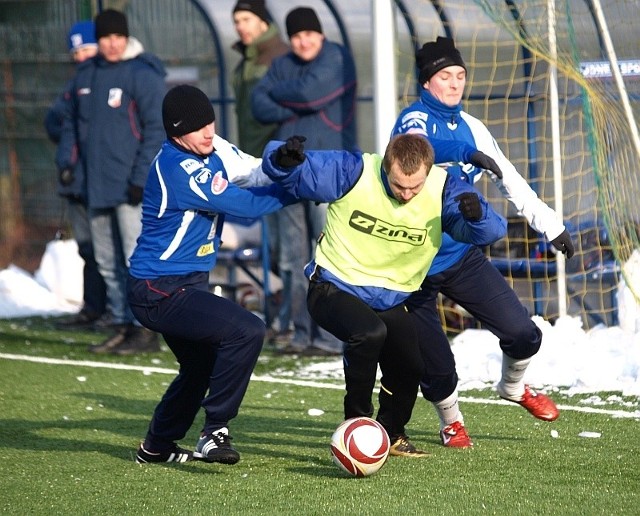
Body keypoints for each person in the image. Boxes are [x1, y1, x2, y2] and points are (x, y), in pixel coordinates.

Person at [261, 133, 507, 455]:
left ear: (428, 173)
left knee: (410, 361)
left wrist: (477, 218)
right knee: (369, 333)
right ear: (387, 166)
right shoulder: (354, 171)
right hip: (333, 287)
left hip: (391, 297)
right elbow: (298, 173)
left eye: (414, 187)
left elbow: (491, 231)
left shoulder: (445, 188)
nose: (406, 195)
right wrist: (282, 160)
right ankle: (355, 425)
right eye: (398, 185)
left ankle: (391, 433)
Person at [388, 36, 575, 448]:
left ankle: (513, 387)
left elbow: (508, 177)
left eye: (459, 75)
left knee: (524, 334)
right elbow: (422, 149)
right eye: (444, 76)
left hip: (459, 255)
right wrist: (467, 153)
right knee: (437, 366)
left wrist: (550, 224)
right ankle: (451, 421)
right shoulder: (413, 119)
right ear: (426, 83)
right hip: (411, 263)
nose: (454, 84)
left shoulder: (474, 126)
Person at [128, 84, 295, 464]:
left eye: (210, 121)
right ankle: (214, 430)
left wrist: (282, 162)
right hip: (158, 288)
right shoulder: (177, 166)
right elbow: (245, 204)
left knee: (201, 364)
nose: (208, 132)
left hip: (186, 284)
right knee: (247, 330)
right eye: (197, 127)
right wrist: (300, 187)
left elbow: (252, 172)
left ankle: (156, 447)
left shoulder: (210, 145)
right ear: (175, 134)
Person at [56, 9, 167, 355]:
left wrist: (139, 178)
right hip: (95, 187)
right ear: (99, 41)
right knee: (106, 261)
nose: (113, 43)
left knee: (136, 259)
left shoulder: (141, 74)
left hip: (129, 188)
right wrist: (68, 165)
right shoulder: (85, 76)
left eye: (118, 36)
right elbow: (71, 126)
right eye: (106, 38)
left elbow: (156, 130)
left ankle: (144, 327)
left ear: (126, 37)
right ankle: (121, 323)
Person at [250, 6, 357, 356]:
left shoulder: (336, 57)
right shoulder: (283, 63)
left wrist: (291, 97)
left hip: (329, 174)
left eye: (309, 34)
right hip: (288, 173)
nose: (303, 41)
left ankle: (330, 337)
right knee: (292, 258)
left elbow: (313, 94)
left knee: (328, 257)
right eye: (296, 36)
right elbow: (258, 103)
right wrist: (293, 106)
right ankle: (301, 333)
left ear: (321, 34)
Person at [230, 0, 290, 339]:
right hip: (255, 164)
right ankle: (281, 310)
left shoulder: (278, 57)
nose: (241, 26)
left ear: (263, 20)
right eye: (237, 20)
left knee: (288, 244)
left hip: (278, 163)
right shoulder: (246, 61)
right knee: (274, 245)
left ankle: (293, 315)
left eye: (247, 18)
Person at [44, 20, 106, 330]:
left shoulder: (106, 79)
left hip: (103, 180)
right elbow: (53, 121)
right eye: (77, 51)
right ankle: (94, 307)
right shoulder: (73, 87)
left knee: (106, 249)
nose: (81, 56)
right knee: (87, 248)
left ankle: (117, 311)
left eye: (87, 49)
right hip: (76, 181)